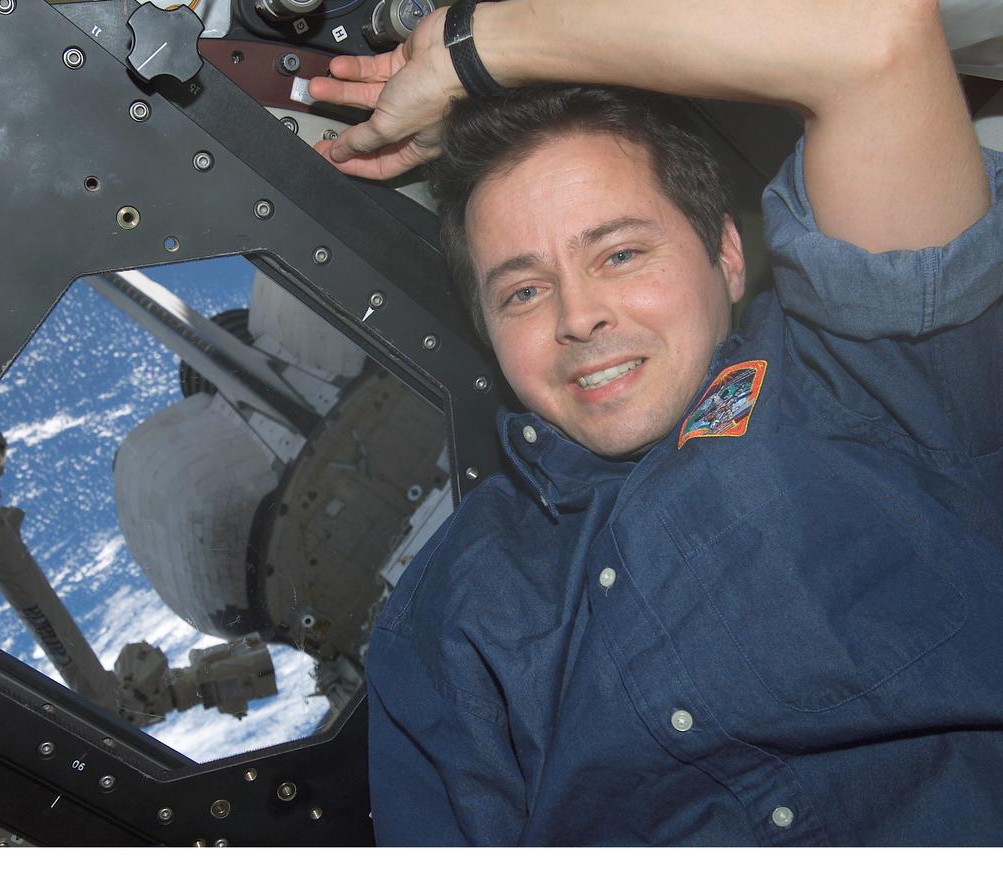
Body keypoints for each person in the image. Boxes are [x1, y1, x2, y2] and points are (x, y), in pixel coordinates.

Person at [307, 0, 1003, 846]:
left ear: (727, 253)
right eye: (523, 291)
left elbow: (878, 41)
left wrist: (471, 50)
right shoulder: (446, 618)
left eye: (621, 253)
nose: (578, 317)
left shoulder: (870, 370)